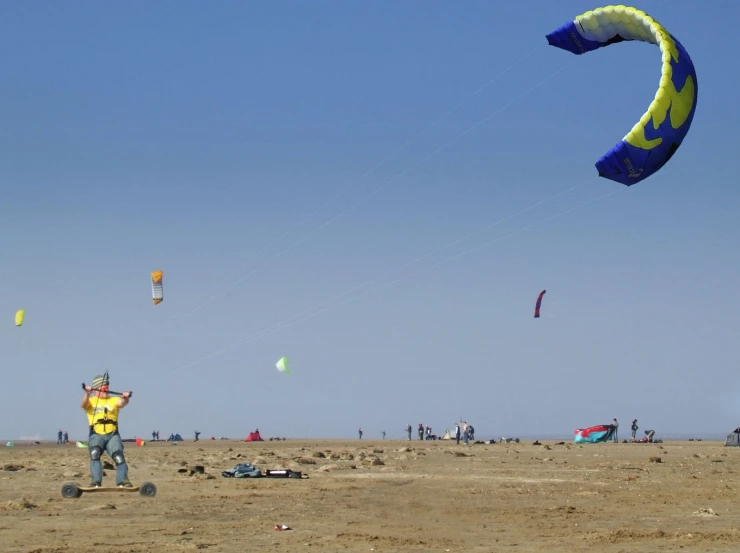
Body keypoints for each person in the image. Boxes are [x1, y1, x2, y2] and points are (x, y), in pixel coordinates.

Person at [81, 373, 132, 488]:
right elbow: (84, 405)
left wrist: (125, 398)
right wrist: (87, 394)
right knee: (94, 453)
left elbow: (122, 403)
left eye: (107, 388)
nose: (106, 390)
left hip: (112, 435)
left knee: (118, 456)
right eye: (103, 388)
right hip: (96, 434)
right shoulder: (91, 401)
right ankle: (96, 482)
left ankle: (123, 481)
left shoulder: (113, 400)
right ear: (96, 389)